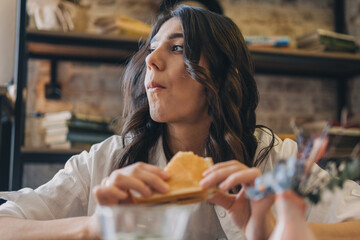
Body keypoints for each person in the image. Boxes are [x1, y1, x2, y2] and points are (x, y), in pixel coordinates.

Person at [0, 5, 359, 240]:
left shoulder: (275, 159)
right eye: (152, 47)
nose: (150, 60)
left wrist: (275, 229)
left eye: (176, 48)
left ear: (221, 72)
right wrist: (94, 227)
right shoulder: (107, 161)